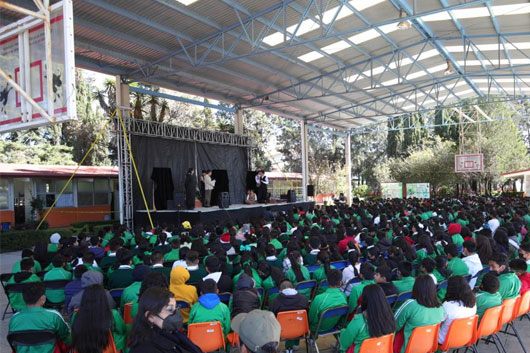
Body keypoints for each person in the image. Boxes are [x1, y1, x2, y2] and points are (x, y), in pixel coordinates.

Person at [128, 287, 202, 353]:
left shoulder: (172, 333)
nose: (176, 314)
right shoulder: (144, 348)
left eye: (176, 307)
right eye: (169, 309)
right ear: (151, 316)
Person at [9, 282, 71, 352]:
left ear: (23, 298)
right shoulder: (53, 316)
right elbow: (67, 339)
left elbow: (14, 345)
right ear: (43, 298)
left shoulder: (14, 319)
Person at [394, 275, 445, 353]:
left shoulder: (410, 304)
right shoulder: (441, 307)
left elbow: (394, 325)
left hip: (407, 348)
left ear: (416, 288)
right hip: (428, 347)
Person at [339, 285, 396, 353]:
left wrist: (342, 331)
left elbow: (344, 344)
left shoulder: (359, 321)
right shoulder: (391, 318)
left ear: (364, 301)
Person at [71, 284, 128, 352]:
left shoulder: (76, 315)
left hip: (82, 349)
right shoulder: (113, 314)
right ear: (103, 299)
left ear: (84, 299)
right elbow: (122, 331)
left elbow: (73, 334)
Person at [438, 276, 477, 344]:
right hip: (465, 337)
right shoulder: (473, 303)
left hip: (444, 340)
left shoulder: (448, 305)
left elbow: (437, 321)